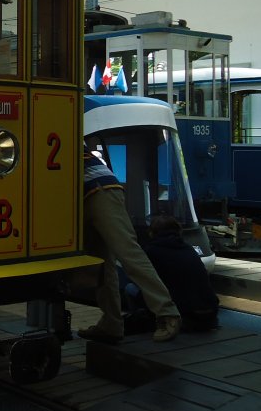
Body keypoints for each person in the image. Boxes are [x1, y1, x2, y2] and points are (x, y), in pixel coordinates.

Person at [79, 143, 181, 343]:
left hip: (97, 189)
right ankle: (111, 324)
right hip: (96, 189)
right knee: (102, 264)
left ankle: (167, 314)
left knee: (127, 253)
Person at [124, 215, 219, 334]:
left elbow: (138, 279)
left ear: (152, 232)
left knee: (130, 287)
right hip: (210, 312)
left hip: (183, 312)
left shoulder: (151, 251)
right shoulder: (189, 249)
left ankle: (151, 321)